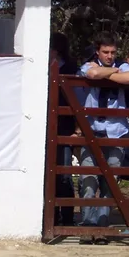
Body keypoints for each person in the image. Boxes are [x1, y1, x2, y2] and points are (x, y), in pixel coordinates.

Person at [77, 32, 129, 232]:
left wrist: (107, 72)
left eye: (112, 52)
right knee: (88, 179)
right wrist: (114, 73)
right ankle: (88, 225)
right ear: (98, 52)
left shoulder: (124, 66)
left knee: (110, 180)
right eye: (105, 52)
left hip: (116, 132)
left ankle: (102, 224)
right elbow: (91, 74)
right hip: (92, 130)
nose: (109, 56)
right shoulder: (90, 65)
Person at [49, 32, 79, 227]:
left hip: (65, 127)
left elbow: (76, 99)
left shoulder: (70, 68)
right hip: (47, 127)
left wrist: (77, 127)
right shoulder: (43, 67)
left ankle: (67, 217)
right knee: (47, 173)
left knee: (65, 174)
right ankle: (50, 215)